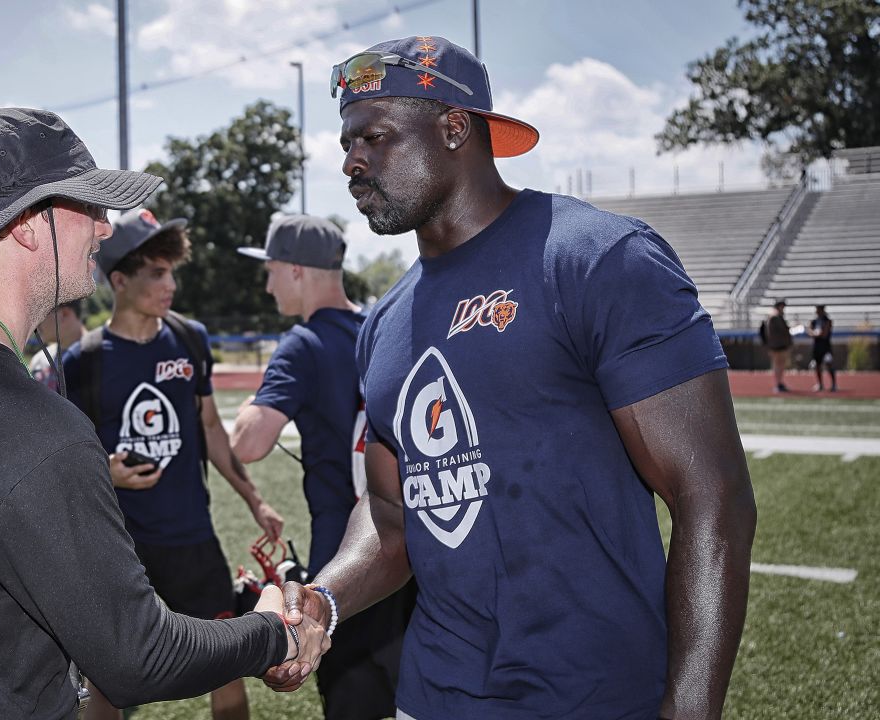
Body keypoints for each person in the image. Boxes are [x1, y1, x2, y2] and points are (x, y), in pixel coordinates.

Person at [267, 36, 757, 720]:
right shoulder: (384, 324)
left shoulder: (596, 258)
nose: (352, 162)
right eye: (348, 143)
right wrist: (324, 598)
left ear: (454, 127)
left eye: (375, 138)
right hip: (433, 695)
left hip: (597, 698)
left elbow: (714, 497)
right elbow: (391, 520)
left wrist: (692, 706)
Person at [0, 108, 326, 720]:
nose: (104, 229)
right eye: (88, 206)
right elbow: (138, 656)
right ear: (27, 224)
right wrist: (272, 630)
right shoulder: (36, 433)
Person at [60, 208, 286, 720]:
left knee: (225, 661)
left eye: (172, 272)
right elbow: (69, 463)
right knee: (107, 678)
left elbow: (211, 429)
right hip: (120, 544)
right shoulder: (84, 360)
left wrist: (255, 498)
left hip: (192, 538)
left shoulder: (189, 339)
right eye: (157, 273)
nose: (172, 285)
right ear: (118, 280)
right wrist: (107, 473)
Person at [233, 215, 415, 719]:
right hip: (414, 551)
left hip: (346, 560)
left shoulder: (302, 344)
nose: (268, 284)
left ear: (296, 270)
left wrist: (257, 397)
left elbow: (249, 442)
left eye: (271, 270)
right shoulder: (385, 327)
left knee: (353, 700)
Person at [29, 299, 85, 392]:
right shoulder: (39, 362)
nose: (35, 323)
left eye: (40, 315)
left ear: (64, 314)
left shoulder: (101, 357)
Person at [759, 299, 793, 392]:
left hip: (776, 344)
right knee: (778, 365)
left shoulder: (774, 316)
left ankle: (779, 383)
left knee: (780, 365)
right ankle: (778, 383)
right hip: (777, 345)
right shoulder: (775, 317)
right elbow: (779, 331)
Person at [809, 304, 837, 392]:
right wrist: (815, 333)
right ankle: (820, 384)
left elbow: (824, 334)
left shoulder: (827, 320)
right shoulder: (814, 321)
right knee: (817, 365)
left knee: (829, 364)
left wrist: (816, 334)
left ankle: (833, 384)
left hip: (825, 346)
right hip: (817, 346)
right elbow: (810, 331)